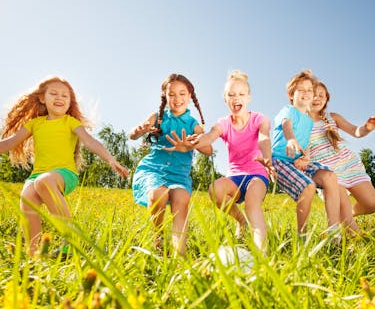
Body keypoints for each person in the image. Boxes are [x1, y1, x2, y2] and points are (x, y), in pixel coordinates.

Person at [0, 76, 129, 257]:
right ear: (42, 98)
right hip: (38, 175)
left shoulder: (70, 122)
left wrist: (110, 159)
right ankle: (34, 254)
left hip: (64, 174)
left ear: (70, 101)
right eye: (54, 93)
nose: (60, 98)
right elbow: (8, 143)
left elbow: (91, 142)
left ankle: (71, 241)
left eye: (65, 96)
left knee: (44, 182)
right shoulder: (35, 124)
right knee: (27, 198)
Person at [192, 70, 276, 255]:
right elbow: (209, 137)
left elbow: (264, 137)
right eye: (231, 95)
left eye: (240, 94)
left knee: (252, 203)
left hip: (257, 175)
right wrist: (193, 142)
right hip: (235, 178)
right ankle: (241, 221)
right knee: (215, 189)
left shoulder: (259, 119)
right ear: (225, 99)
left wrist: (267, 157)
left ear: (248, 97)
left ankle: (261, 253)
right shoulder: (224, 123)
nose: (236, 98)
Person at [129, 73, 211, 256]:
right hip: (152, 169)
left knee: (181, 199)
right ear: (165, 97)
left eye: (182, 94)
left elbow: (209, 150)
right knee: (158, 194)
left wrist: (191, 145)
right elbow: (132, 135)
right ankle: (158, 239)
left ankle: (178, 256)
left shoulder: (193, 124)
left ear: (190, 96)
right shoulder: (158, 117)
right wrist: (139, 131)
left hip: (179, 174)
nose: (177, 99)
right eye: (172, 94)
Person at [271, 70, 342, 238]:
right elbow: (286, 124)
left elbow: (306, 143)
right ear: (291, 94)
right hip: (280, 161)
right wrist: (290, 139)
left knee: (330, 177)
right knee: (308, 186)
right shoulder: (288, 110)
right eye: (301, 90)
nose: (306, 93)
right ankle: (301, 235)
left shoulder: (309, 121)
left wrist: (306, 157)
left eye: (309, 90)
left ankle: (334, 231)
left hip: (299, 161)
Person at [307, 81, 375, 226]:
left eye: (321, 96)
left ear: (326, 100)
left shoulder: (333, 117)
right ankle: (348, 224)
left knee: (372, 204)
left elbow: (356, 131)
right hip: (327, 171)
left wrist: (367, 127)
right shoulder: (300, 123)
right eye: (313, 95)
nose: (317, 98)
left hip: (348, 164)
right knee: (343, 208)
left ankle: (348, 214)